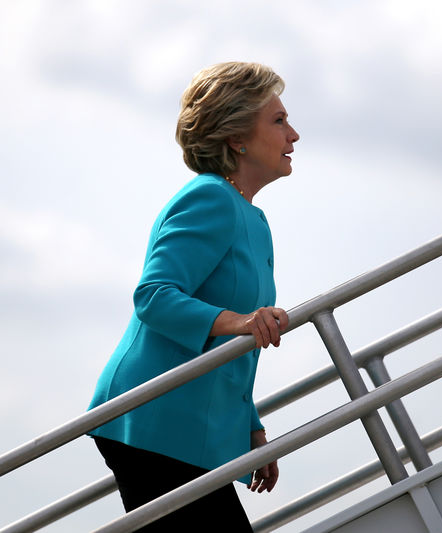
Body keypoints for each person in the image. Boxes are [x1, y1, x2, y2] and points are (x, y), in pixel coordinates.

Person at [87, 61, 299, 531]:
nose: (294, 135)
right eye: (279, 121)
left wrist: (250, 424)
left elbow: (230, 331)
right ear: (236, 138)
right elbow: (154, 296)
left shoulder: (251, 217)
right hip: (151, 420)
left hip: (184, 429)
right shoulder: (209, 198)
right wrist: (242, 321)